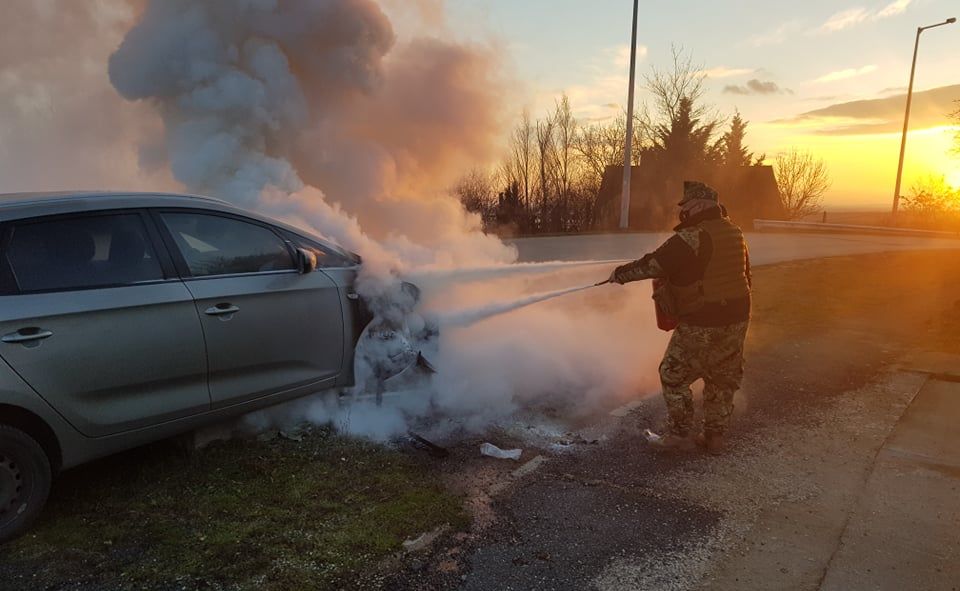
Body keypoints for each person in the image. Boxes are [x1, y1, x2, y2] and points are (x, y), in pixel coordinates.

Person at [609, 181, 751, 454]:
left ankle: (678, 434)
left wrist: (620, 274)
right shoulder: (734, 231)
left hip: (704, 319)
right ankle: (714, 437)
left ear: (700, 205)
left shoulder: (692, 236)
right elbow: (746, 274)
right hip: (737, 317)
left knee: (672, 374)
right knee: (722, 377)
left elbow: (655, 263)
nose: (683, 211)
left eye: (687, 205)